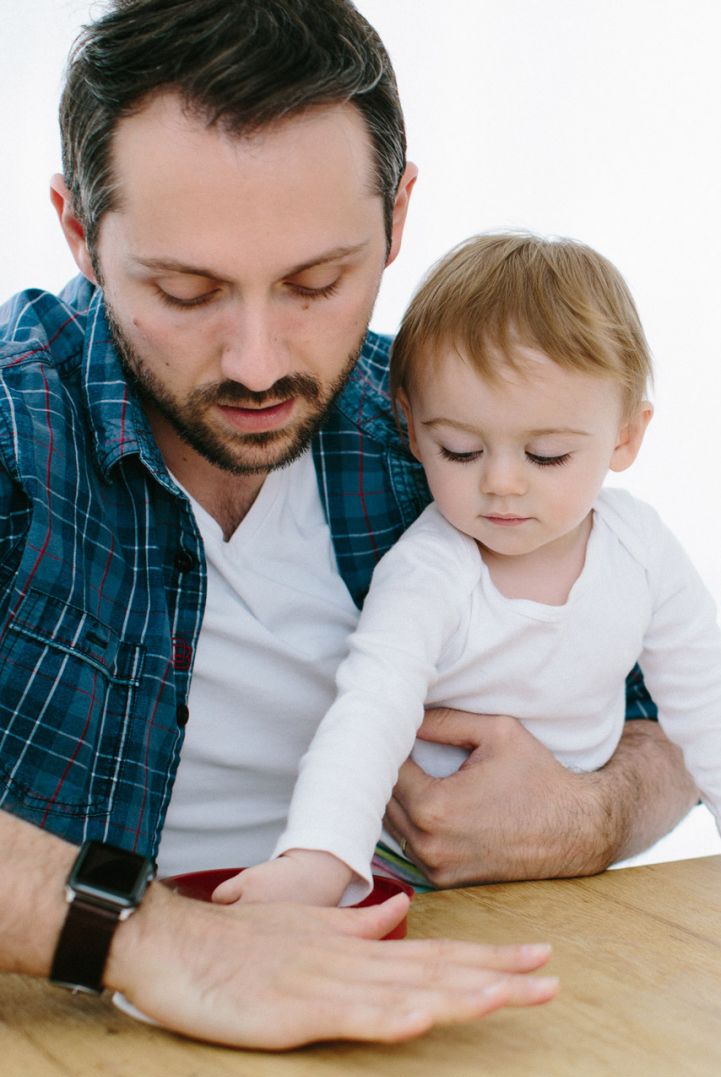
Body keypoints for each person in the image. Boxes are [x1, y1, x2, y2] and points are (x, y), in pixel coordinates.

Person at [0, 0, 692, 1045]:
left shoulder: (447, 435)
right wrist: (154, 939)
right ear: (78, 232)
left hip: (428, 1013)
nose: (258, 361)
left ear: (399, 219)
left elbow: (667, 721)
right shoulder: (19, 428)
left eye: (316, 283)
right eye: (185, 290)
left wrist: (592, 813)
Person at [219, 232, 721, 907]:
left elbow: (703, 698)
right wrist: (316, 861)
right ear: (412, 428)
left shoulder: (639, 547)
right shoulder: (430, 572)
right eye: (458, 450)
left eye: (545, 455)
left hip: (569, 876)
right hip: (413, 885)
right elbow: (368, 714)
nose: (502, 484)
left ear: (626, 435)